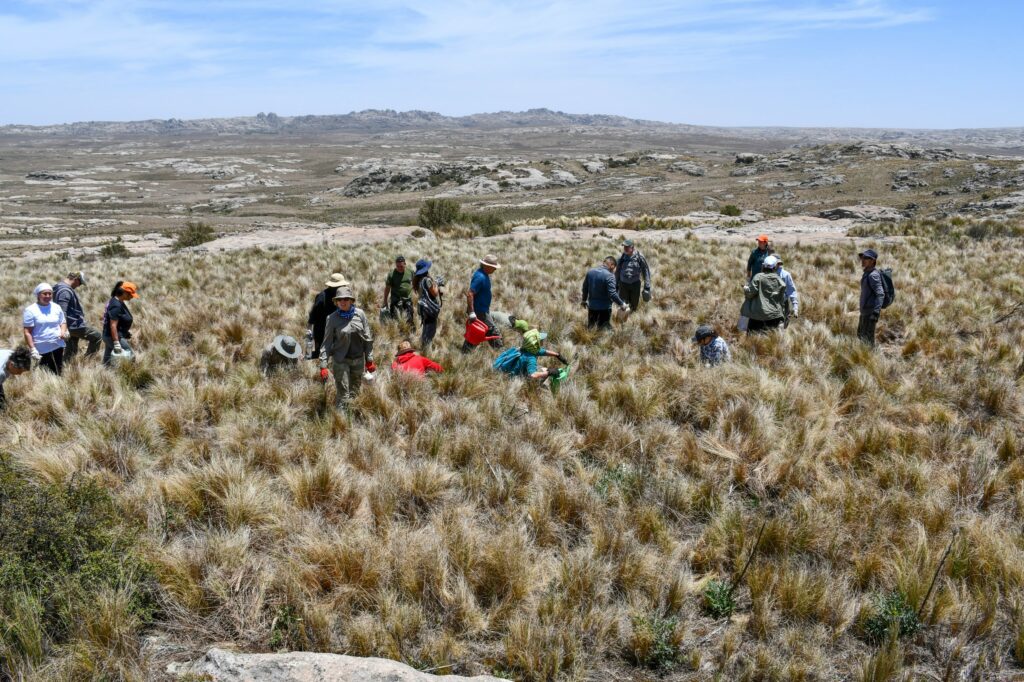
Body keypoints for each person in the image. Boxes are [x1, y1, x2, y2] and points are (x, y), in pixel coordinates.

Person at [319, 287, 375, 412]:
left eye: (346, 299)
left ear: (351, 300)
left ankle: (354, 417)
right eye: (339, 300)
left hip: (358, 360)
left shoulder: (360, 314)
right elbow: (326, 343)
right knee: (343, 393)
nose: (342, 302)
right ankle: (341, 421)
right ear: (336, 302)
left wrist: (369, 359)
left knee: (355, 390)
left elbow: (367, 338)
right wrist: (323, 365)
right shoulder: (332, 319)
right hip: (341, 360)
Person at [53, 271, 101, 361]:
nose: (79, 286)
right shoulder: (65, 291)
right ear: (75, 279)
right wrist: (65, 329)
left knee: (71, 349)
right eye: (80, 283)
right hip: (73, 325)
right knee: (97, 337)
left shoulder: (60, 287)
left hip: (70, 325)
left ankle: (66, 366)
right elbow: (62, 311)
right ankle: (88, 360)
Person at [494, 324, 567, 382]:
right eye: (540, 340)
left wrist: (557, 355)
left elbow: (543, 352)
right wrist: (549, 373)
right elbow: (532, 375)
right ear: (536, 344)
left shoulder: (526, 348)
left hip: (511, 368)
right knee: (544, 371)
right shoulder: (531, 359)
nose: (542, 341)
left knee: (543, 369)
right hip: (514, 375)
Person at [23, 282, 68, 375]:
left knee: (58, 370)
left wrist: (63, 332)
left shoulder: (56, 307)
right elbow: (27, 332)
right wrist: (32, 349)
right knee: (45, 373)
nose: (48, 296)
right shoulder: (30, 310)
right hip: (41, 348)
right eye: (44, 293)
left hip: (57, 345)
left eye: (50, 293)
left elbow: (62, 322)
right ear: (38, 295)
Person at [463, 254, 502, 351]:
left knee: (475, 333)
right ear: (486, 266)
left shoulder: (484, 274)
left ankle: (465, 352)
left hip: (481, 310)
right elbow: (470, 294)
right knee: (493, 332)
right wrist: (472, 312)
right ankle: (501, 354)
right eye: (493, 267)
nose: (495, 269)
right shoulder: (480, 277)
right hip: (480, 312)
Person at [741, 255, 786, 334]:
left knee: (752, 339)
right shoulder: (779, 280)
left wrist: (745, 288)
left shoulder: (758, 277)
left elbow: (750, 293)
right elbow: (782, 300)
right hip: (775, 316)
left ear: (763, 266)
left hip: (757, 316)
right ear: (775, 267)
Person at [308, 273, 349, 358]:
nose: (344, 287)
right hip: (322, 334)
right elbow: (312, 318)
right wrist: (309, 336)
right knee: (321, 356)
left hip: (338, 333)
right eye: (341, 285)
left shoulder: (343, 297)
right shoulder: (322, 297)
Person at [582, 257, 629, 329]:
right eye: (614, 268)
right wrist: (622, 304)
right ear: (612, 265)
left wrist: (584, 300)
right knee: (603, 331)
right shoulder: (610, 276)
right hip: (604, 309)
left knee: (591, 328)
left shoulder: (590, 272)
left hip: (592, 307)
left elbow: (585, 288)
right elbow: (612, 294)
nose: (614, 270)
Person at [102, 281, 139, 366]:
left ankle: (104, 374)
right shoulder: (116, 305)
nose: (132, 297)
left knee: (107, 360)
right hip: (113, 337)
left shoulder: (118, 301)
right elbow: (113, 325)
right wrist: (116, 343)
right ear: (125, 293)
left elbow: (118, 322)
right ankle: (127, 374)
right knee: (130, 356)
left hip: (111, 336)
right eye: (131, 295)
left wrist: (124, 332)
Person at [413, 259, 443, 349]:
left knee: (426, 327)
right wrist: (437, 284)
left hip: (424, 309)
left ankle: (424, 345)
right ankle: (426, 350)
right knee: (431, 331)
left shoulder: (418, 280)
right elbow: (435, 293)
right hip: (430, 309)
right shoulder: (427, 280)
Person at [858, 249, 885, 347]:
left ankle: (871, 359)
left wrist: (875, 313)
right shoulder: (867, 273)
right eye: (862, 257)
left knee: (867, 341)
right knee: (861, 336)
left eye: (866, 258)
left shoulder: (873, 275)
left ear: (873, 261)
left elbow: (880, 294)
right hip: (864, 311)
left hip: (870, 313)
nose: (862, 260)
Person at [616, 239, 652, 310]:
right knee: (623, 305)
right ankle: (624, 319)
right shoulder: (622, 258)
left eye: (627, 247)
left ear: (632, 247)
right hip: (623, 285)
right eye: (624, 247)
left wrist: (647, 286)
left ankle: (632, 315)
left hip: (635, 284)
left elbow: (646, 271)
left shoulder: (639, 257)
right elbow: (617, 271)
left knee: (634, 304)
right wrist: (616, 284)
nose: (625, 249)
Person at [381, 255, 415, 328]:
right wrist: (385, 300)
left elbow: (415, 281)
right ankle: (396, 334)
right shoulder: (391, 275)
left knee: (409, 320)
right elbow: (387, 288)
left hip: (407, 301)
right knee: (395, 321)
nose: (399, 268)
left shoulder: (410, 272)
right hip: (396, 301)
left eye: (401, 266)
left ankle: (408, 333)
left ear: (405, 264)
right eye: (397, 266)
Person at [773, 256, 800, 325]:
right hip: (772, 304)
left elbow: (791, 292)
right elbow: (792, 291)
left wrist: (795, 308)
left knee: (782, 323)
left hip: (781, 304)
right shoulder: (767, 274)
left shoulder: (785, 275)